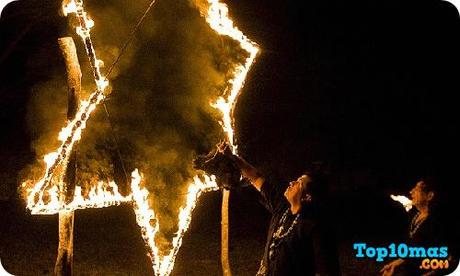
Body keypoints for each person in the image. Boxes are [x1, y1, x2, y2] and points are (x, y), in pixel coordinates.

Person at [219, 144, 341, 276]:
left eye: (298, 183)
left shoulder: (314, 227)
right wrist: (232, 157)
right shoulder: (282, 207)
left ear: (307, 197)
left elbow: (327, 270)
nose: (291, 183)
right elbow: (255, 177)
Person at [380, 178, 457, 276]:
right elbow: (415, 248)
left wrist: (430, 274)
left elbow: (451, 258)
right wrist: (397, 263)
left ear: (430, 196)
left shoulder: (439, 222)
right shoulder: (415, 215)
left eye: (416, 189)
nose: (411, 191)